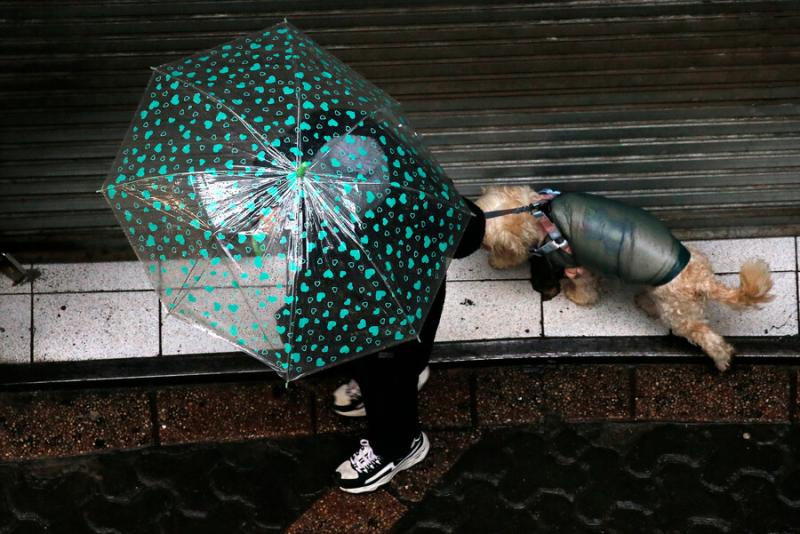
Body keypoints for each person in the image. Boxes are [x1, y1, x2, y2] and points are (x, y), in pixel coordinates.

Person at [332, 196, 485, 494]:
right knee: (367, 362)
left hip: (399, 307)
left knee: (389, 373)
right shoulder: (315, 194)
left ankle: (399, 445)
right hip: (349, 296)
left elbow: (469, 232)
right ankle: (376, 387)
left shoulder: (404, 189)